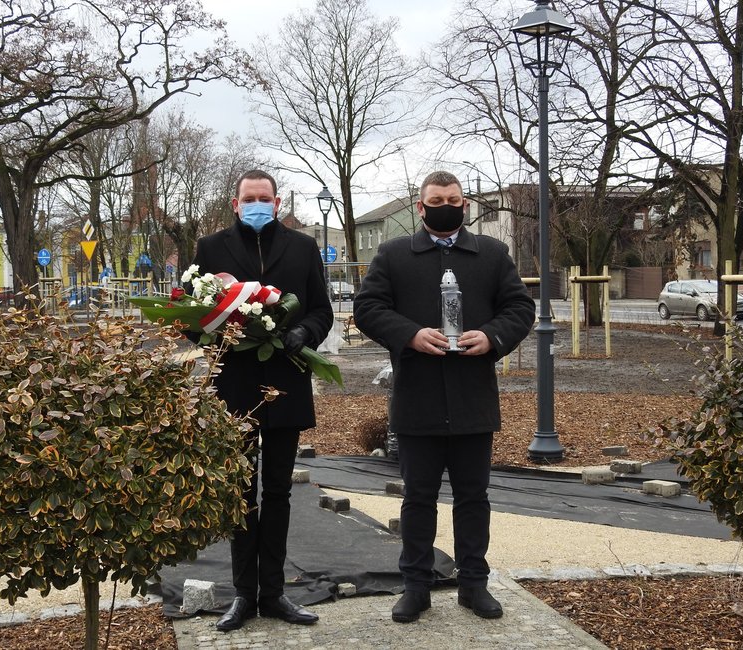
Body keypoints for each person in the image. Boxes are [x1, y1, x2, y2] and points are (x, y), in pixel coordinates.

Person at [353, 171, 535, 623]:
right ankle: (416, 587)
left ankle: (474, 584)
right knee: (418, 499)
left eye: (454, 200)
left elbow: (520, 307)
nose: (446, 207)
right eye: (436, 201)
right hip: (417, 398)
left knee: (473, 498)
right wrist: (410, 334)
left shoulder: (492, 253)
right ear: (421, 207)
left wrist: (491, 336)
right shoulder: (394, 254)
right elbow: (368, 308)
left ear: (465, 204)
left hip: (473, 398)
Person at [188, 169, 333, 631]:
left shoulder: (302, 247)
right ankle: (242, 595)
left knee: (278, 492)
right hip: (236, 386)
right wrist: (223, 333)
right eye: (248, 198)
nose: (256, 204)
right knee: (240, 492)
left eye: (264, 197)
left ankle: (273, 593)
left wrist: (303, 332)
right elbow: (192, 316)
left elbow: (322, 309)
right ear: (235, 204)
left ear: (277, 202)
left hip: (286, 380)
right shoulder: (211, 249)